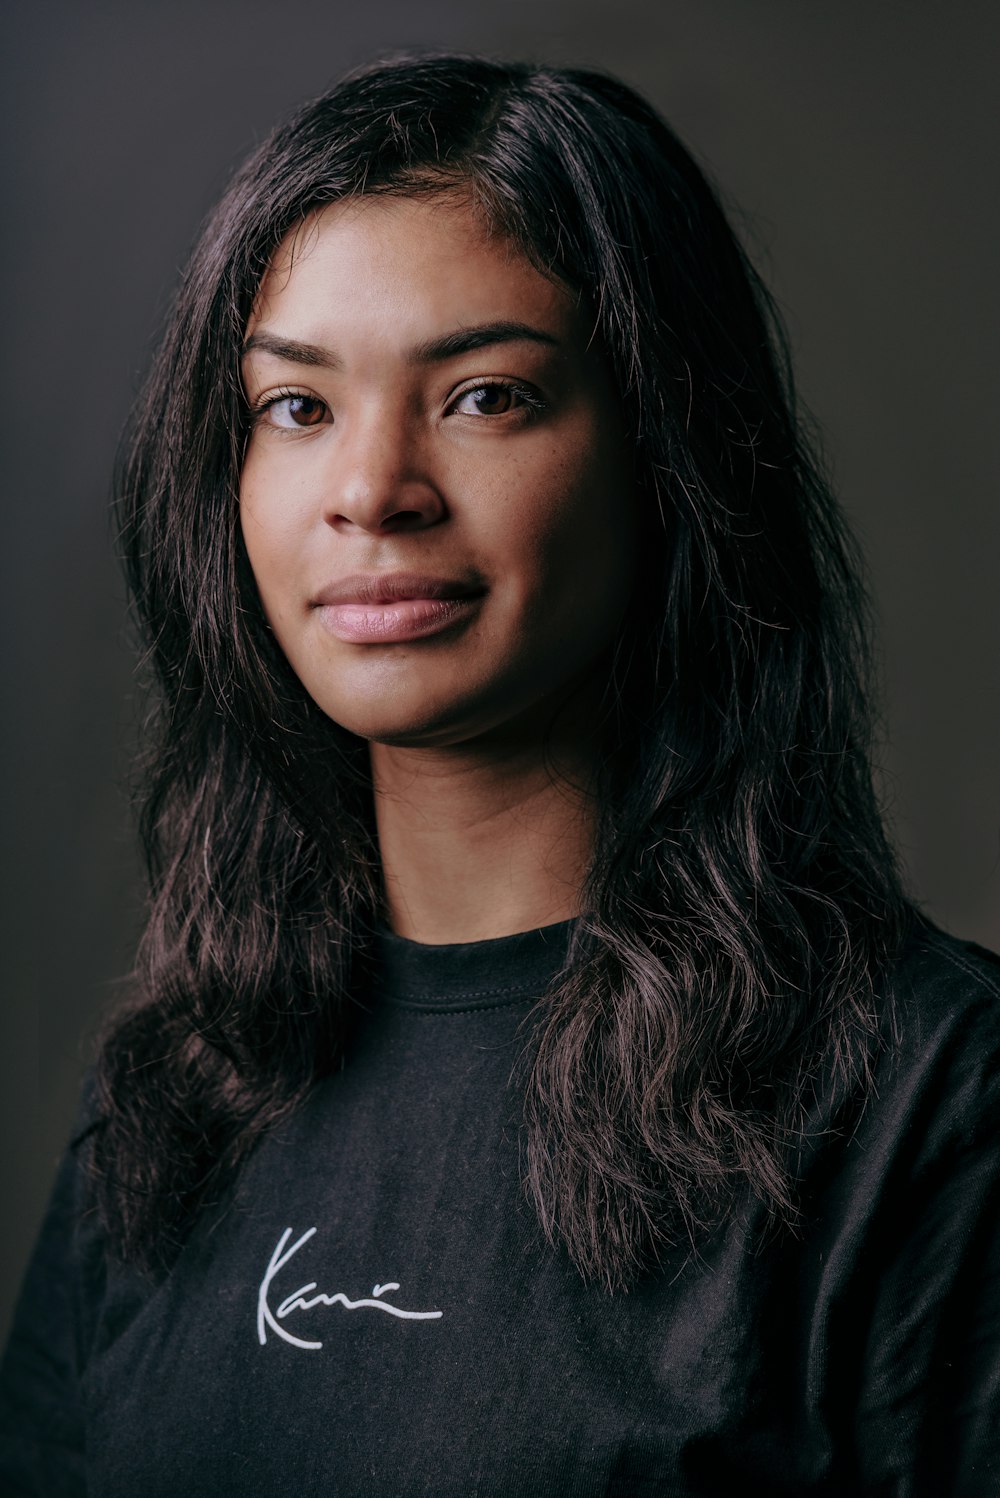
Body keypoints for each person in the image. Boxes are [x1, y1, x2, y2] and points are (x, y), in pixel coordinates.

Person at [1, 52, 997, 1497]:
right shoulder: (176, 1092)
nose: (372, 487)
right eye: (297, 407)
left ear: (666, 451)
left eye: (483, 395)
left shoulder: (929, 1105)